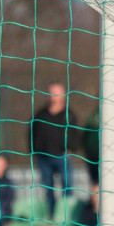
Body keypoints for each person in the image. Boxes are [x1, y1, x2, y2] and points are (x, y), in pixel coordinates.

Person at [29, 82, 79, 216]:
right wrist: (34, 150)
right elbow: (32, 132)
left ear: (63, 95)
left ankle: (67, 214)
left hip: (62, 156)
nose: (53, 96)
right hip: (44, 157)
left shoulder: (69, 114)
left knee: (67, 185)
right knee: (48, 188)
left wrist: (71, 148)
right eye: (51, 93)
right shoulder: (41, 114)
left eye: (56, 93)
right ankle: (51, 215)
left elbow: (75, 134)